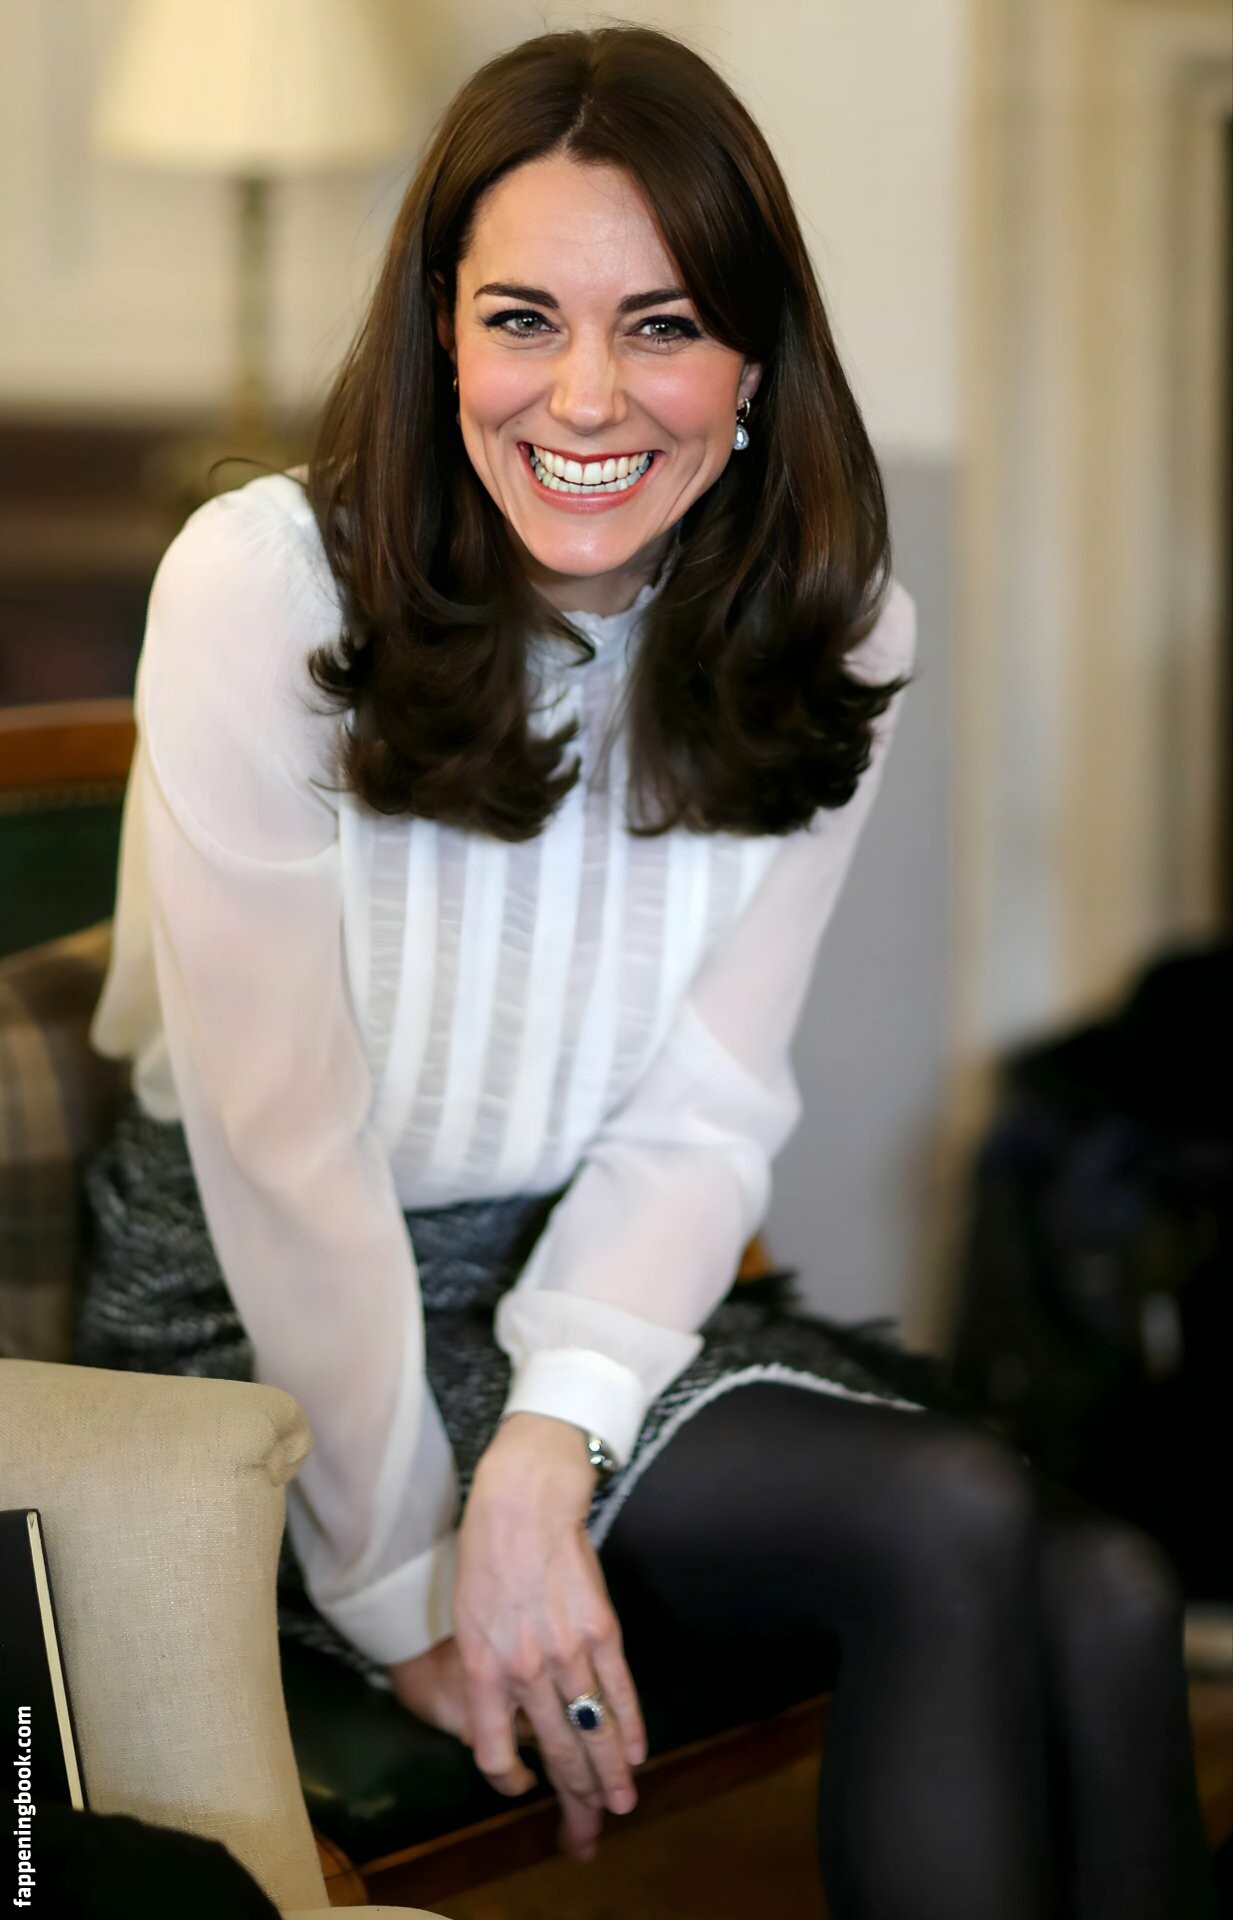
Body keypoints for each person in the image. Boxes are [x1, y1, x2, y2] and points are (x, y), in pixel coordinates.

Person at [77, 25, 1218, 1918]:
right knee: (948, 1523)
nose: (587, 394)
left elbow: (704, 1109)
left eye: (664, 324)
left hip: (576, 1262)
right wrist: (404, 1584)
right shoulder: (262, 589)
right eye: (521, 319)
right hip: (259, 1302)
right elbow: (281, 1153)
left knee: (1104, 1587)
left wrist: (550, 1443)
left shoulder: (834, 633)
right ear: (439, 334)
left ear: (755, 362)